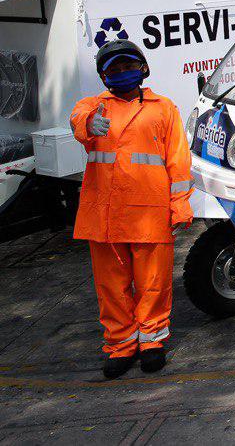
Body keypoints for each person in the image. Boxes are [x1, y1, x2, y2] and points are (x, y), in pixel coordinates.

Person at [69, 39, 192, 379]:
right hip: (105, 214)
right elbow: (78, 120)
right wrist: (88, 125)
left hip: (149, 211)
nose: (122, 73)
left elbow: (178, 159)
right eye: (114, 69)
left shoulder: (163, 108)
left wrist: (180, 204)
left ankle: (151, 342)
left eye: (127, 66)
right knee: (111, 286)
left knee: (153, 282)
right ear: (104, 75)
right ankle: (121, 345)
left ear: (142, 69)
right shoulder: (93, 107)